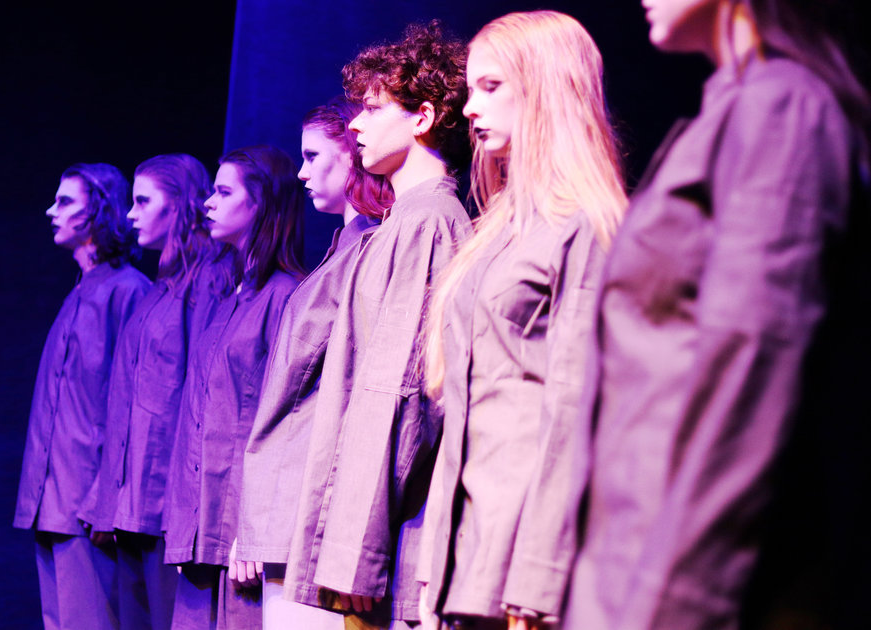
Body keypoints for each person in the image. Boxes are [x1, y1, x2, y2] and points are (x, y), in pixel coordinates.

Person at [542, 1, 871, 629]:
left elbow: (753, 370)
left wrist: (677, 603)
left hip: (680, 582)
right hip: (629, 564)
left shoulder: (781, 108)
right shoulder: (734, 111)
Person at [416, 11, 627, 630]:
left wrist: (538, 579)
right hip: (468, 551)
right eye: (470, 88)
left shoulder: (585, 227)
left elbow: (574, 408)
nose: (469, 107)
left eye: (491, 86)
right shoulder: (498, 231)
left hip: (525, 567)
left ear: (544, 87)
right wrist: (435, 567)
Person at [284, 21, 474, 629]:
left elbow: (400, 395)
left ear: (422, 118)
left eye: (372, 108)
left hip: (388, 548)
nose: (357, 125)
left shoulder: (428, 224)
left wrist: (357, 550)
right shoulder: (401, 224)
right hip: (371, 539)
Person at [231, 97, 392, 629]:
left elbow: (352, 400)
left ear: (352, 154)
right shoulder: (342, 248)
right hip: (289, 508)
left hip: (311, 513)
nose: (301, 173)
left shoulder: (371, 247)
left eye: (313, 156)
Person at [78, 154, 224, 630]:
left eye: (143, 202)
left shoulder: (209, 283)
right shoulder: (156, 290)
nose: (130, 214)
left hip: (168, 507)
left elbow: (200, 398)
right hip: (132, 506)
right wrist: (108, 500)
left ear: (178, 206)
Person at [163, 145, 305, 630]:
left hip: (242, 546)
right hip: (201, 536)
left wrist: (255, 527)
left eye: (224, 192)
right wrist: (187, 525)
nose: (209, 202)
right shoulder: (229, 297)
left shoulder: (286, 296)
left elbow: (285, 427)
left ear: (260, 203)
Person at [14, 162, 151, 630]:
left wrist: (102, 495)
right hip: (52, 500)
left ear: (97, 212)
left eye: (65, 202)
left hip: (86, 506)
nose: (51, 211)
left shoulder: (128, 291)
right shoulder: (79, 291)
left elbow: (131, 403)